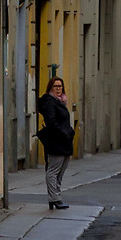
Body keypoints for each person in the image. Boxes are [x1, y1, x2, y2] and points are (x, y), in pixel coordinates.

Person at [36, 72, 75, 208]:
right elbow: (51, 121)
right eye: (56, 86)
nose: (59, 89)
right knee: (53, 171)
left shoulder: (60, 102)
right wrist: (64, 132)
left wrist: (70, 132)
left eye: (60, 86)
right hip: (56, 141)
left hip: (65, 141)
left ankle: (57, 195)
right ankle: (54, 199)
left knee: (61, 171)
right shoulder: (49, 102)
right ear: (50, 88)